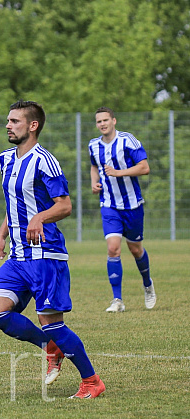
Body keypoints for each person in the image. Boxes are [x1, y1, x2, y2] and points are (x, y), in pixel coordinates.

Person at [0, 100, 105, 399]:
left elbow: (64, 205)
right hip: (18, 256)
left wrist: (39, 217)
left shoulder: (44, 161)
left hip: (45, 253)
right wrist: (2, 235)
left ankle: (91, 381)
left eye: (14, 121)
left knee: (51, 321)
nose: (8, 125)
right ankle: (49, 346)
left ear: (32, 125)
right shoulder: (5, 159)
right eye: (8, 120)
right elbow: (14, 204)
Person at [89, 107, 156, 313]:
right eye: (99, 121)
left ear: (114, 121)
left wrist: (119, 173)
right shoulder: (93, 145)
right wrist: (94, 182)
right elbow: (94, 166)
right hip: (109, 205)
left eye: (106, 120)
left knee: (135, 249)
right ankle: (117, 300)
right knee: (113, 248)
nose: (102, 124)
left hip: (132, 205)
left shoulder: (128, 141)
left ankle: (147, 284)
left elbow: (144, 167)